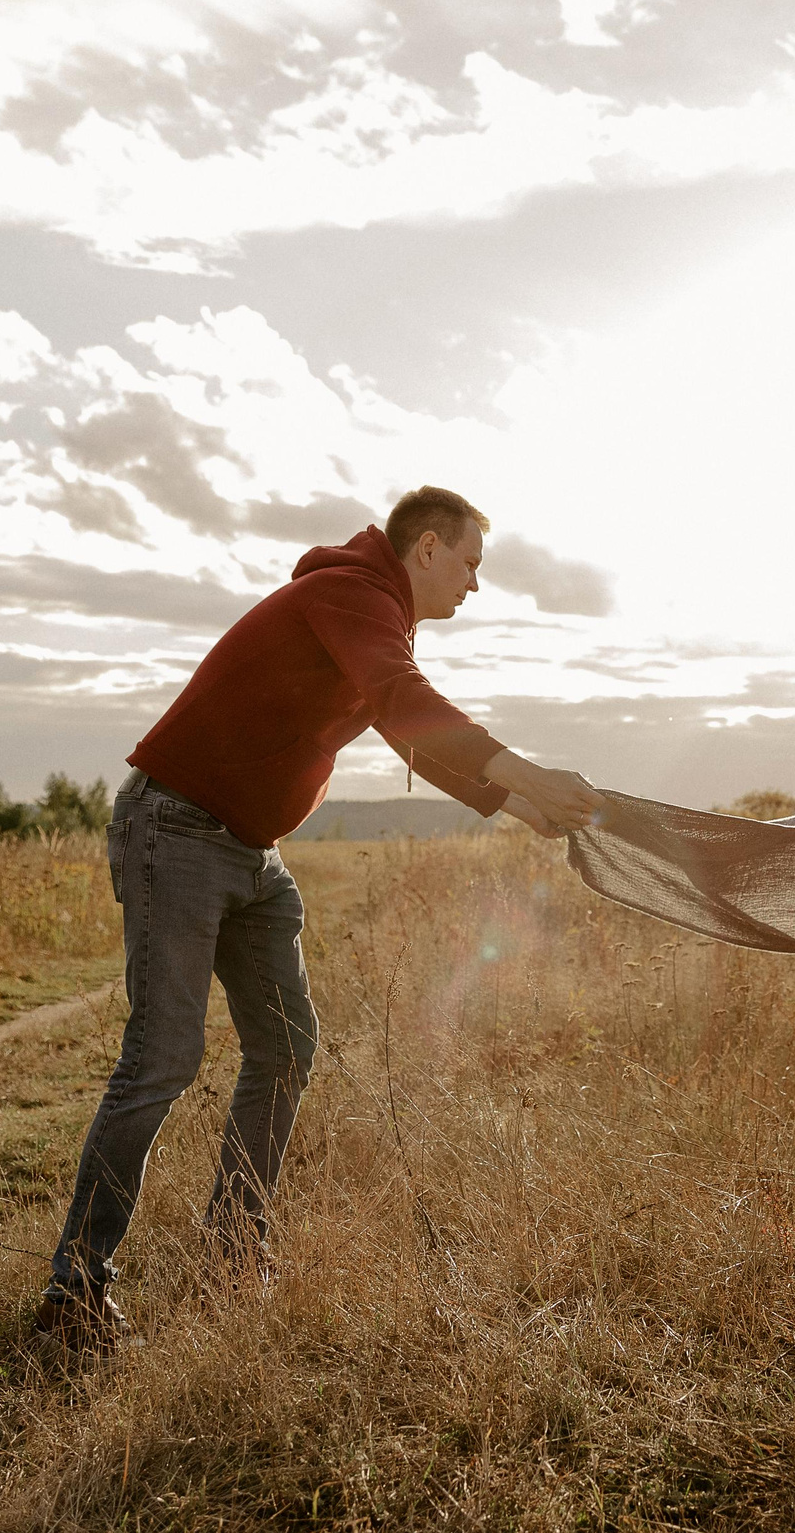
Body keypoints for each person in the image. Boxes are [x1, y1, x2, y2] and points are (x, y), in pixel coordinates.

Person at [37, 486, 602, 1346]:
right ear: (425, 549)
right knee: (164, 1056)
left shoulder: (374, 615)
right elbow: (405, 700)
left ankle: (231, 1251)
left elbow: (405, 732)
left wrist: (529, 810)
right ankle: (74, 1292)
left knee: (287, 1045)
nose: (475, 587)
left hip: (251, 852)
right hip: (178, 830)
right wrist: (533, 773)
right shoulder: (353, 594)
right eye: (471, 564)